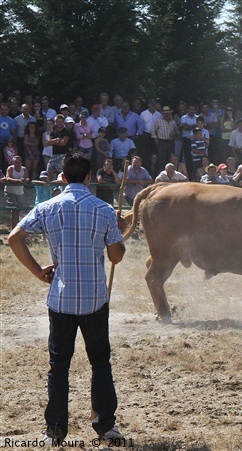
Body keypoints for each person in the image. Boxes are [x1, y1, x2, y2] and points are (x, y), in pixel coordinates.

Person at [8, 151, 126, 446]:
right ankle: (106, 426)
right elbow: (116, 256)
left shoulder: (47, 207)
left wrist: (38, 271)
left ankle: (55, 431)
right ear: (89, 176)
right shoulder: (103, 210)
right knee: (100, 362)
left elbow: (14, 238)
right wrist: (119, 232)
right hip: (94, 299)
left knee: (59, 366)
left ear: (62, 177)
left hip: (61, 298)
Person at [4, 155, 30, 228]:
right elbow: (8, 178)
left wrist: (25, 180)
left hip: (20, 192)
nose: (17, 164)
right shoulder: (10, 168)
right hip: (10, 192)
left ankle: (16, 228)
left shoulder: (24, 169)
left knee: (18, 211)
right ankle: (13, 229)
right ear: (13, 163)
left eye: (19, 162)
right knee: (14, 210)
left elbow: (27, 178)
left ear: (21, 163)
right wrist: (19, 181)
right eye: (15, 162)